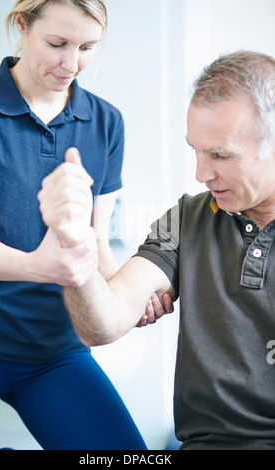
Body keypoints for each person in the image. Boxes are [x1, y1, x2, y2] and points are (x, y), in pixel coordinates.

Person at [39, 50, 275, 450]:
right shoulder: (189, 217)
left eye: (219, 155)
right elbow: (104, 322)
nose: (200, 174)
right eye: (195, 150)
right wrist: (74, 249)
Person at [0, 0, 175, 450]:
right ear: (22, 25)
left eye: (87, 47)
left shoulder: (106, 121)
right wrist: (42, 267)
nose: (72, 63)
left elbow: (96, 242)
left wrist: (128, 296)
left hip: (56, 349)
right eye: (57, 43)